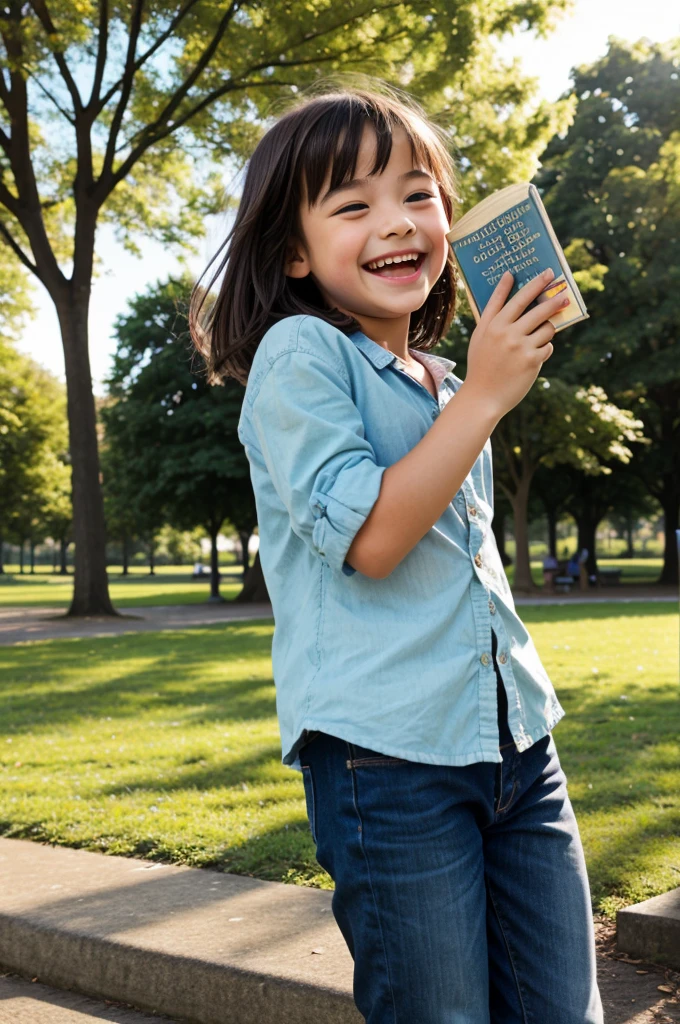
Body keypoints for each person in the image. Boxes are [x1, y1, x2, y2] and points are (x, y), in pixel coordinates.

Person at [190, 83, 603, 1024]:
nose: (398, 222)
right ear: (294, 251)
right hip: (387, 761)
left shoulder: (447, 380)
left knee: (562, 1010)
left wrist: (474, 393)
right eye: (353, 204)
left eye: (419, 195)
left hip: (517, 745)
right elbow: (374, 542)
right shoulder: (302, 353)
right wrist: (484, 401)